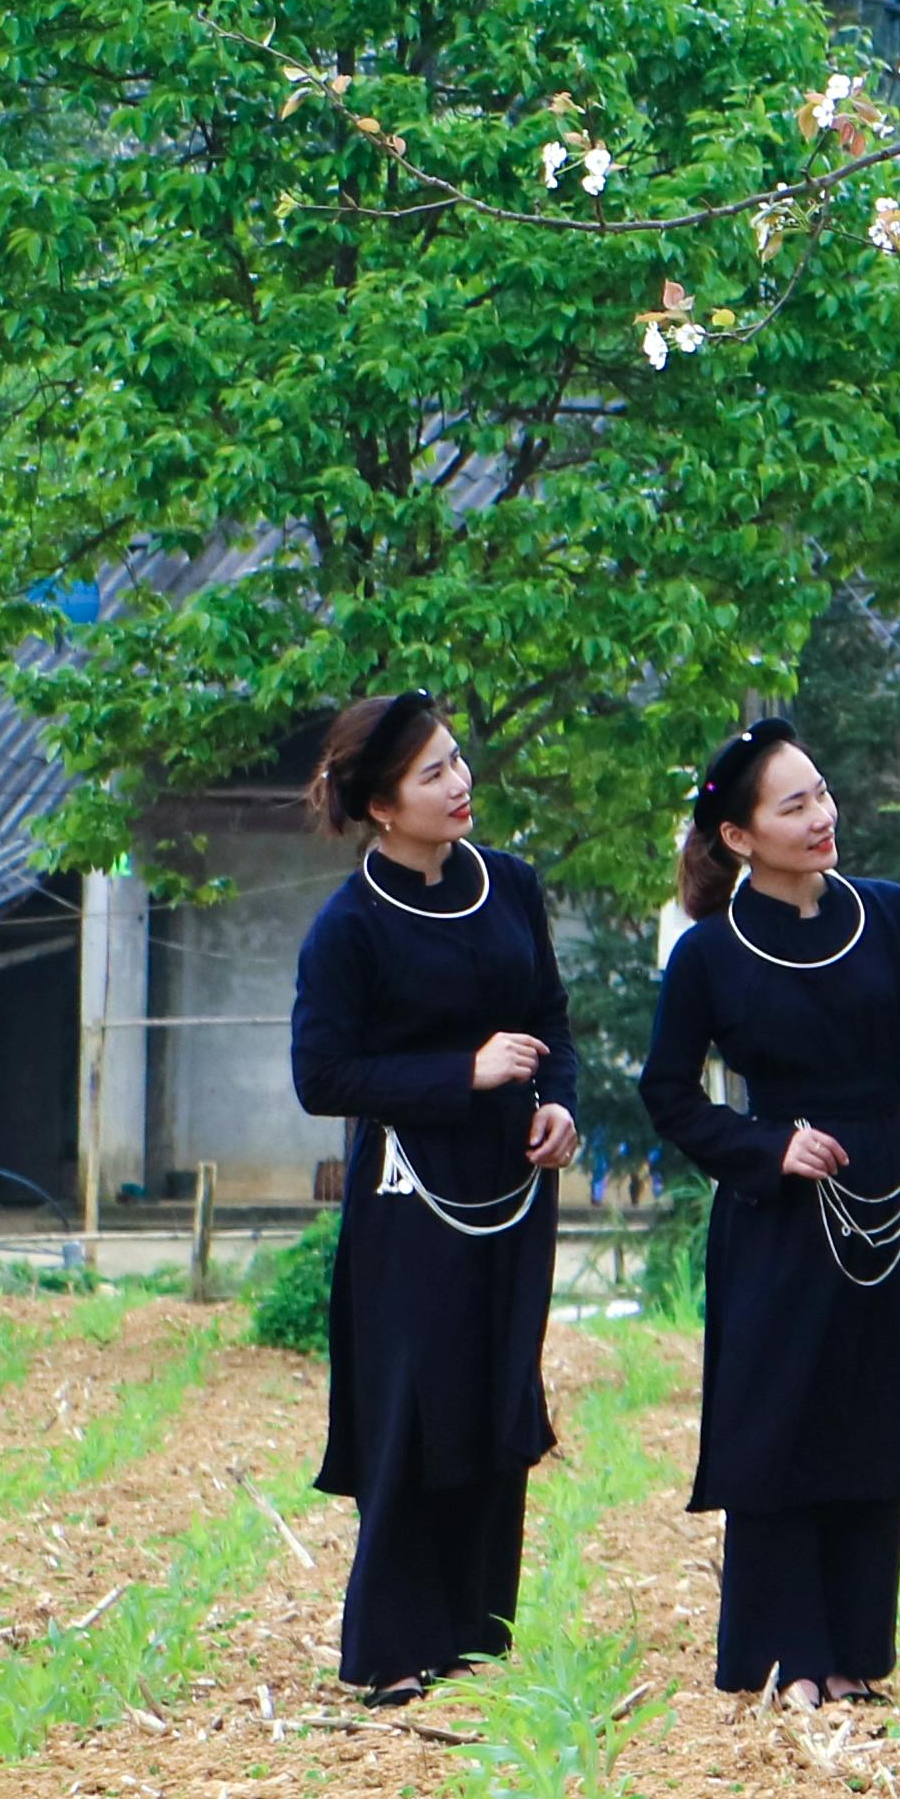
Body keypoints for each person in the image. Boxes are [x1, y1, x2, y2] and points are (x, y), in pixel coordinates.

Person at [640, 721, 900, 1699]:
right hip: (780, 1218)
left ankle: (854, 1659)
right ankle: (788, 1654)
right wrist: (765, 1148)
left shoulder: (889, 913)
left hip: (890, 1202)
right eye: (793, 805)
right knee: (780, 1431)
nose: (822, 815)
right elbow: (668, 1093)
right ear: (741, 837)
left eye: (822, 793)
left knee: (876, 1426)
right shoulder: (709, 954)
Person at [282, 690, 575, 1698]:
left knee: (499, 1391)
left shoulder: (512, 886)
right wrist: (463, 1072)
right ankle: (389, 1648)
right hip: (408, 1195)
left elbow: (550, 1019)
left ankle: (473, 1636)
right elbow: (322, 1077)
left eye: (457, 762)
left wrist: (560, 1105)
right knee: (416, 1398)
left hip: (513, 1183)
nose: (459, 786)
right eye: (432, 774)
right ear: (380, 805)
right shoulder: (349, 928)